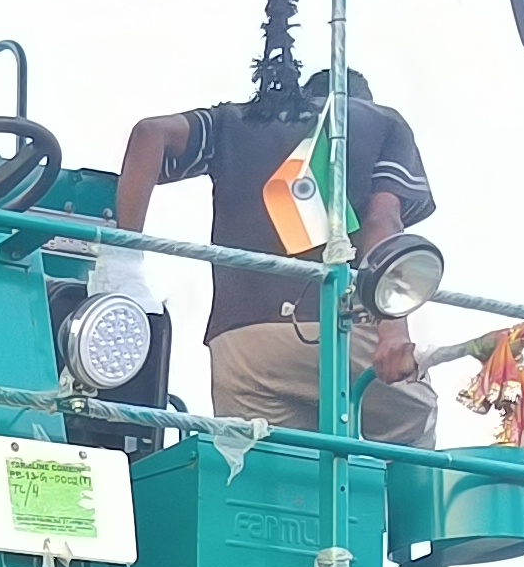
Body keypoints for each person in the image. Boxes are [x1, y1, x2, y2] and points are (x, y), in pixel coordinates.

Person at [114, 69, 441, 445]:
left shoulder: (237, 120)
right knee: (415, 415)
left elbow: (149, 134)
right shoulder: (381, 123)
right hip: (336, 331)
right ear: (362, 100)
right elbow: (382, 222)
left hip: (241, 347)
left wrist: (123, 265)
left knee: (268, 478)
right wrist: (393, 334)